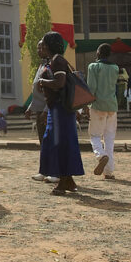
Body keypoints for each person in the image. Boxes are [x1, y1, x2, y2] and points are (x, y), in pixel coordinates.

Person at [36, 32, 85, 194]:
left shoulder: (57, 60)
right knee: (57, 142)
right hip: (55, 109)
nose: (41, 47)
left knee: (59, 143)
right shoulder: (54, 61)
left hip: (60, 110)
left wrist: (42, 82)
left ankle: (64, 182)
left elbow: (59, 83)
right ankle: (68, 180)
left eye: (43, 44)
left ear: (49, 45)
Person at [87, 44, 120, 178]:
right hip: (112, 106)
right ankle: (109, 171)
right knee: (109, 139)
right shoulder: (115, 68)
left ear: (99, 53)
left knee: (94, 135)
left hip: (97, 105)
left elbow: (91, 88)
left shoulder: (93, 67)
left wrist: (85, 105)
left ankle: (101, 155)